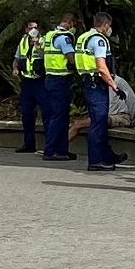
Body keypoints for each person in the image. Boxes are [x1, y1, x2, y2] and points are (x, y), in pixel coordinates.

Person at [74, 12, 130, 171]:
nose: (109, 29)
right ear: (105, 24)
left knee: (99, 122)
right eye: (109, 26)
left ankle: (107, 156)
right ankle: (95, 161)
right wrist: (115, 86)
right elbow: (101, 67)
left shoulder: (83, 37)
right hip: (96, 85)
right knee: (98, 124)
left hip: (88, 83)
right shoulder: (99, 41)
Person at [42, 13, 79, 161]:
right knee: (59, 117)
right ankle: (51, 151)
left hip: (50, 78)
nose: (74, 28)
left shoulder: (49, 36)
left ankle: (62, 150)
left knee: (60, 116)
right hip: (60, 80)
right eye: (74, 25)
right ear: (69, 23)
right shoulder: (63, 38)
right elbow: (71, 57)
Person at [14, 20, 49, 153]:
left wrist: (38, 45)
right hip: (26, 82)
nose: (33, 30)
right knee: (26, 113)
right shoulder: (22, 41)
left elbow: (45, 57)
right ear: (25, 30)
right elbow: (17, 58)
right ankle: (28, 144)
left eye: (35, 28)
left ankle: (49, 145)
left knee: (46, 113)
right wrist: (15, 69)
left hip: (40, 81)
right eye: (30, 28)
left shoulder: (43, 40)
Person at [68, 74, 135, 142]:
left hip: (120, 116)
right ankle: (61, 147)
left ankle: (61, 148)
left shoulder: (118, 82)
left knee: (79, 124)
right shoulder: (97, 84)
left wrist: (130, 117)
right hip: (103, 115)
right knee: (74, 124)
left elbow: (133, 102)